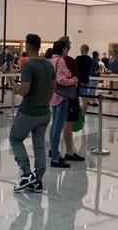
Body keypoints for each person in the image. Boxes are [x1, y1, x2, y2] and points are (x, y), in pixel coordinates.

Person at [10, 34, 56, 193]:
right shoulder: (49, 65)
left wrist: (15, 88)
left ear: (28, 46)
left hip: (28, 112)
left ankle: (26, 173)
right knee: (39, 145)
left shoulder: (29, 66)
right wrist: (45, 101)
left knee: (15, 139)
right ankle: (38, 181)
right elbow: (53, 87)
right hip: (44, 112)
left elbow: (24, 90)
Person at [49, 40, 77, 168]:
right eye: (67, 48)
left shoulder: (51, 60)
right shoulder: (60, 61)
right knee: (57, 128)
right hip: (62, 97)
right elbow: (61, 79)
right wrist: (72, 80)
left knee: (54, 125)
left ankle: (54, 152)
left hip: (53, 96)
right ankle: (55, 158)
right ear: (63, 49)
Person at [58, 36, 85, 162]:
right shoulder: (68, 60)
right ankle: (69, 151)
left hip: (59, 97)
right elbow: (74, 79)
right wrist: (74, 82)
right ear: (66, 46)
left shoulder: (57, 60)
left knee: (62, 124)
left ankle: (61, 149)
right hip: (70, 96)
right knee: (68, 125)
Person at [75, 44, 94, 114]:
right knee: (85, 98)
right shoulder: (90, 59)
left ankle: (77, 114)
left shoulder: (78, 58)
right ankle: (83, 114)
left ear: (82, 49)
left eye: (80, 48)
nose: (80, 50)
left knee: (76, 97)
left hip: (79, 81)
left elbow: (75, 69)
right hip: (86, 80)